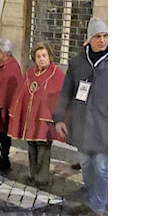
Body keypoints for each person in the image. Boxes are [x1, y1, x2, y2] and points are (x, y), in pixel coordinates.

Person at [53, 16, 108, 214]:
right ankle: (94, 195)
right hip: (83, 124)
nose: (102, 40)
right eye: (98, 36)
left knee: (102, 166)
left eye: (105, 36)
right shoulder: (77, 63)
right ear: (89, 39)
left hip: (105, 126)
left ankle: (98, 205)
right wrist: (58, 118)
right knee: (85, 163)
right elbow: (66, 92)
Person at [7, 42, 65, 187]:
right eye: (38, 56)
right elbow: (21, 93)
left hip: (45, 120)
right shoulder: (30, 73)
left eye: (44, 55)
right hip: (31, 119)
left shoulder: (56, 73)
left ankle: (42, 178)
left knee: (43, 148)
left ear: (50, 57)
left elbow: (61, 97)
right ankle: (33, 174)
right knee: (32, 146)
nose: (41, 59)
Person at [0, 38, 23, 171]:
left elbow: (15, 89)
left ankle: (5, 160)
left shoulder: (13, 67)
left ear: (6, 53)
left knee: (4, 136)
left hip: (5, 108)